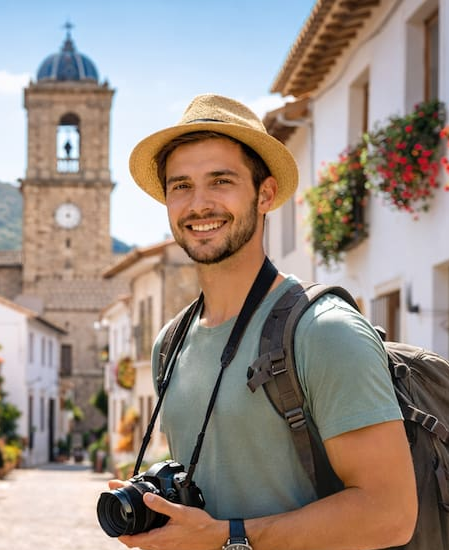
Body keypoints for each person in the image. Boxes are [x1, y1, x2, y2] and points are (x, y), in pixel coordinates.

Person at [109, 94, 417, 550]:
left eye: (221, 181)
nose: (199, 204)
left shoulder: (325, 332)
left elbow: (390, 515)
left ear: (265, 193)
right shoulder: (170, 344)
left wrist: (229, 538)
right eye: (181, 186)